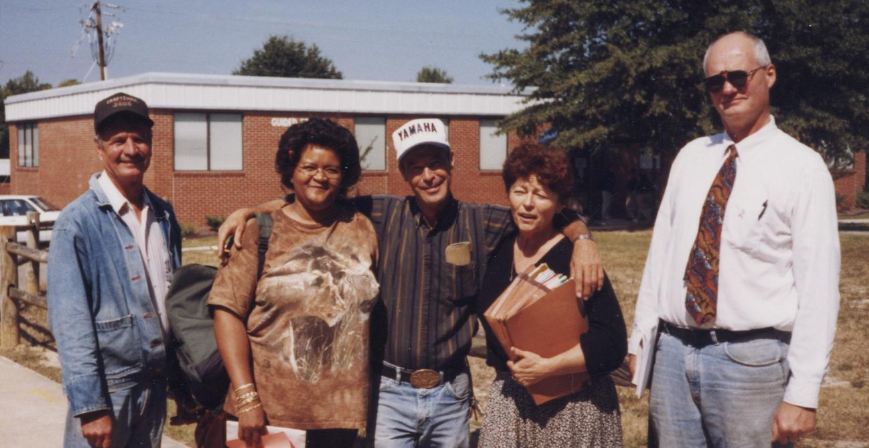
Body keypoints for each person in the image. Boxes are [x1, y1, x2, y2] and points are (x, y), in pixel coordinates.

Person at [217, 118, 604, 448]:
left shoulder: (484, 222)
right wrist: (250, 210)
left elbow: (541, 209)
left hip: (451, 394)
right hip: (390, 394)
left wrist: (583, 238)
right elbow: (312, 195)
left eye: (435, 163)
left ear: (451, 162)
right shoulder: (380, 214)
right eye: (415, 167)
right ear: (404, 173)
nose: (427, 175)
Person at [628, 31, 840, 447]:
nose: (727, 89)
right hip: (672, 354)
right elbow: (661, 257)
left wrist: (804, 392)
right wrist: (642, 338)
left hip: (750, 365)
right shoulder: (691, 157)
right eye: (715, 81)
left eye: (739, 76)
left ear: (769, 75)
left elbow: (819, 288)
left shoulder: (803, 168)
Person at [208, 118, 380, 448]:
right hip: (270, 416)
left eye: (331, 169)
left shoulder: (362, 228)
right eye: (309, 166)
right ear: (291, 170)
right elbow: (226, 313)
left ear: (344, 175)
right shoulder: (258, 231)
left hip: (339, 419)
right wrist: (247, 398)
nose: (320, 176)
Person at [47, 92, 182, 448]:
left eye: (139, 139)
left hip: (153, 386)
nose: (131, 149)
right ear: (99, 148)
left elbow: (174, 300)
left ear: (151, 144)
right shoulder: (77, 223)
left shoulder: (164, 214)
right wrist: (90, 407)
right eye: (118, 140)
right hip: (110, 390)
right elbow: (70, 321)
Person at [476, 143, 627, 448]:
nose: (528, 204)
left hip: (575, 405)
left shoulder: (577, 257)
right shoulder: (498, 249)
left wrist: (548, 367)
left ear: (560, 205)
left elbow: (612, 341)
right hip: (511, 403)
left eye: (542, 195)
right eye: (520, 191)